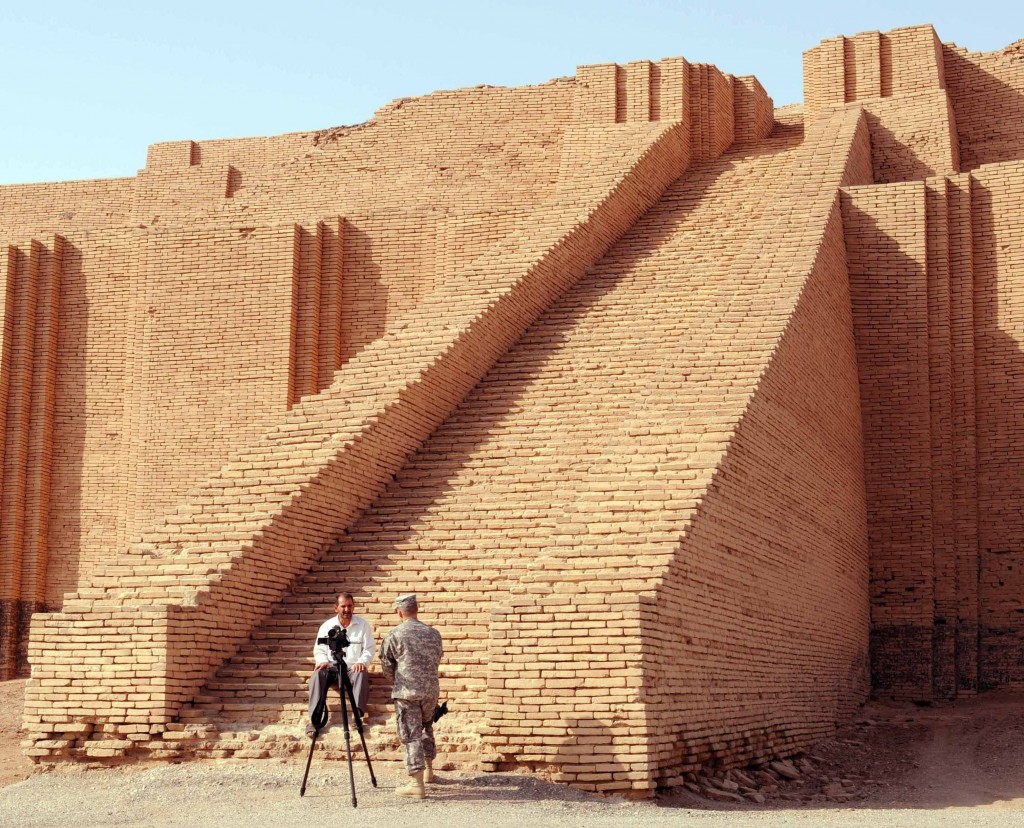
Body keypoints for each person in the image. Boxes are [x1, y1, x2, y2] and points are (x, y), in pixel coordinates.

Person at [378, 593, 443, 799]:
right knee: (426, 726)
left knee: (411, 734)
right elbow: (437, 659)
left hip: (407, 691)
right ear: (417, 609)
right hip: (430, 690)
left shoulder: (395, 634)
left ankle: (416, 783)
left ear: (399, 612)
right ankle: (429, 772)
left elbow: (387, 665)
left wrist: (396, 680)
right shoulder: (434, 633)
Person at [307, 592, 376, 736]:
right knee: (317, 675)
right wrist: (322, 661)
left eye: (349, 606)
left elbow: (369, 648)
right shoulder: (327, 626)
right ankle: (314, 720)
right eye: (343, 606)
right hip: (331, 666)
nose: (346, 610)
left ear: (354, 607)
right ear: (335, 608)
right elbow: (319, 649)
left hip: (352, 668)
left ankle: (357, 717)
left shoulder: (363, 625)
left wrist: (362, 662)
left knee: (361, 673)